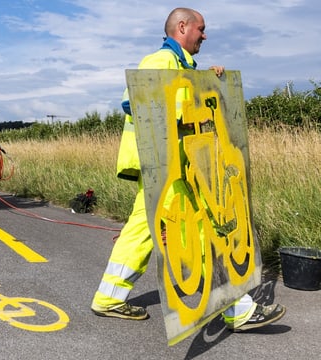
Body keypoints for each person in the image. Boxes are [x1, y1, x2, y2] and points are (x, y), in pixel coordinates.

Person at [91, 7, 286, 332]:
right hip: (165, 165)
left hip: (168, 165)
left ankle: (108, 296)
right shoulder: (160, 61)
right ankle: (236, 309)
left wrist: (210, 83)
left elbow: (178, 101)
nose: (205, 35)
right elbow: (136, 100)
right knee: (206, 230)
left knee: (141, 231)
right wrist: (199, 95)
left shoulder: (180, 66)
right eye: (201, 28)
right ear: (182, 27)